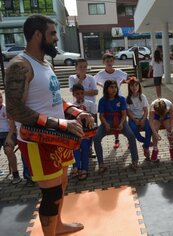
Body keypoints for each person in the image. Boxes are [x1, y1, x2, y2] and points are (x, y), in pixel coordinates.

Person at [5, 15, 94, 236]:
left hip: (58, 137)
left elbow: (54, 100)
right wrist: (60, 123)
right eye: (52, 33)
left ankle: (58, 225)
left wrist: (78, 112)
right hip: (37, 141)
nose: (56, 39)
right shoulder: (20, 66)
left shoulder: (44, 63)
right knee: (51, 193)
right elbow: (14, 110)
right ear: (38, 35)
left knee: (62, 183)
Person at [93, 80, 139, 171]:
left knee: (131, 136)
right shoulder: (102, 100)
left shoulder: (121, 99)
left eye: (115, 87)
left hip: (120, 121)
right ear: (106, 89)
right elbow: (101, 116)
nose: (114, 89)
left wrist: (122, 124)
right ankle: (101, 164)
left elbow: (124, 114)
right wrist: (105, 124)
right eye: (111, 87)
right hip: (107, 121)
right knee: (96, 138)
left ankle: (135, 161)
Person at [94, 53, 127, 148]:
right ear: (103, 62)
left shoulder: (119, 72)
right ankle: (116, 139)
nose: (109, 63)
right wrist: (102, 86)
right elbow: (94, 81)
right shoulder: (100, 74)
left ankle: (128, 138)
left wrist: (119, 83)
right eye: (107, 61)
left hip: (119, 99)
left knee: (123, 117)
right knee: (111, 119)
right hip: (107, 100)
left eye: (111, 61)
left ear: (113, 61)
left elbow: (126, 78)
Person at [71, 83, 97, 180]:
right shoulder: (71, 106)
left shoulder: (90, 104)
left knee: (85, 147)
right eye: (77, 94)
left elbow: (94, 118)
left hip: (88, 131)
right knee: (75, 147)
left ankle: (84, 169)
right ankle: (76, 167)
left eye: (82, 93)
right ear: (74, 94)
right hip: (77, 132)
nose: (80, 96)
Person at [126, 78, 152, 160]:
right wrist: (134, 119)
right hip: (133, 119)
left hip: (143, 117)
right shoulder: (128, 98)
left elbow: (146, 110)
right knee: (133, 129)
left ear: (139, 86)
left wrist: (144, 119)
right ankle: (145, 141)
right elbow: (128, 112)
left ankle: (146, 147)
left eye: (136, 85)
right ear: (129, 87)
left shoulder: (142, 97)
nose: (134, 87)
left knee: (149, 128)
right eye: (132, 85)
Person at [0, 92, 21, 184]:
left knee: (8, 150)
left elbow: (12, 127)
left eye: (0, 97)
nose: (0, 99)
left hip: (9, 133)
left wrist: (8, 138)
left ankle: (16, 174)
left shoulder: (6, 109)